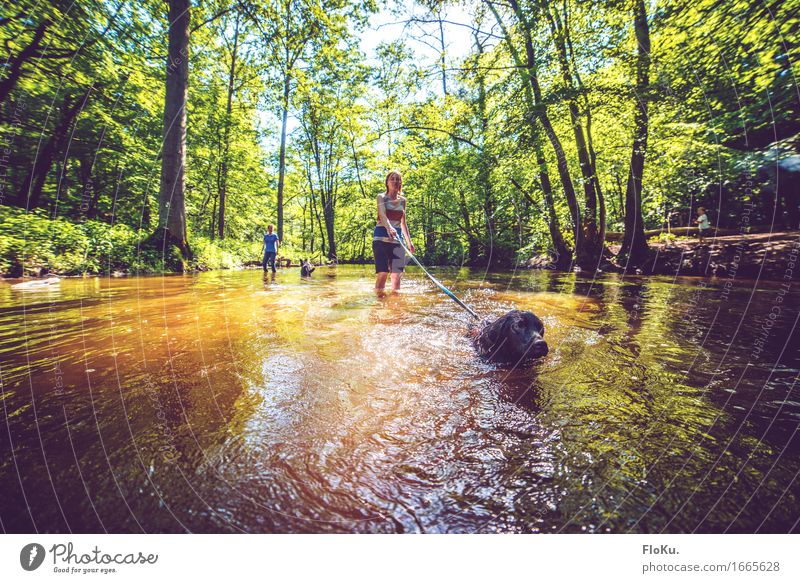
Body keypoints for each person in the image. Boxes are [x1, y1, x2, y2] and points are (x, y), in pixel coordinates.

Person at [373, 169, 413, 291]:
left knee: (396, 275)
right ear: (387, 182)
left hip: (397, 242)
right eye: (392, 179)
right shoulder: (381, 197)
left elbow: (403, 223)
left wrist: (409, 242)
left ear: (400, 183)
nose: (395, 181)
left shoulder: (403, 200)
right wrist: (389, 227)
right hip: (380, 239)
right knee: (383, 273)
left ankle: (395, 306)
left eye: (398, 179)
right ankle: (380, 301)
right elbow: (382, 215)